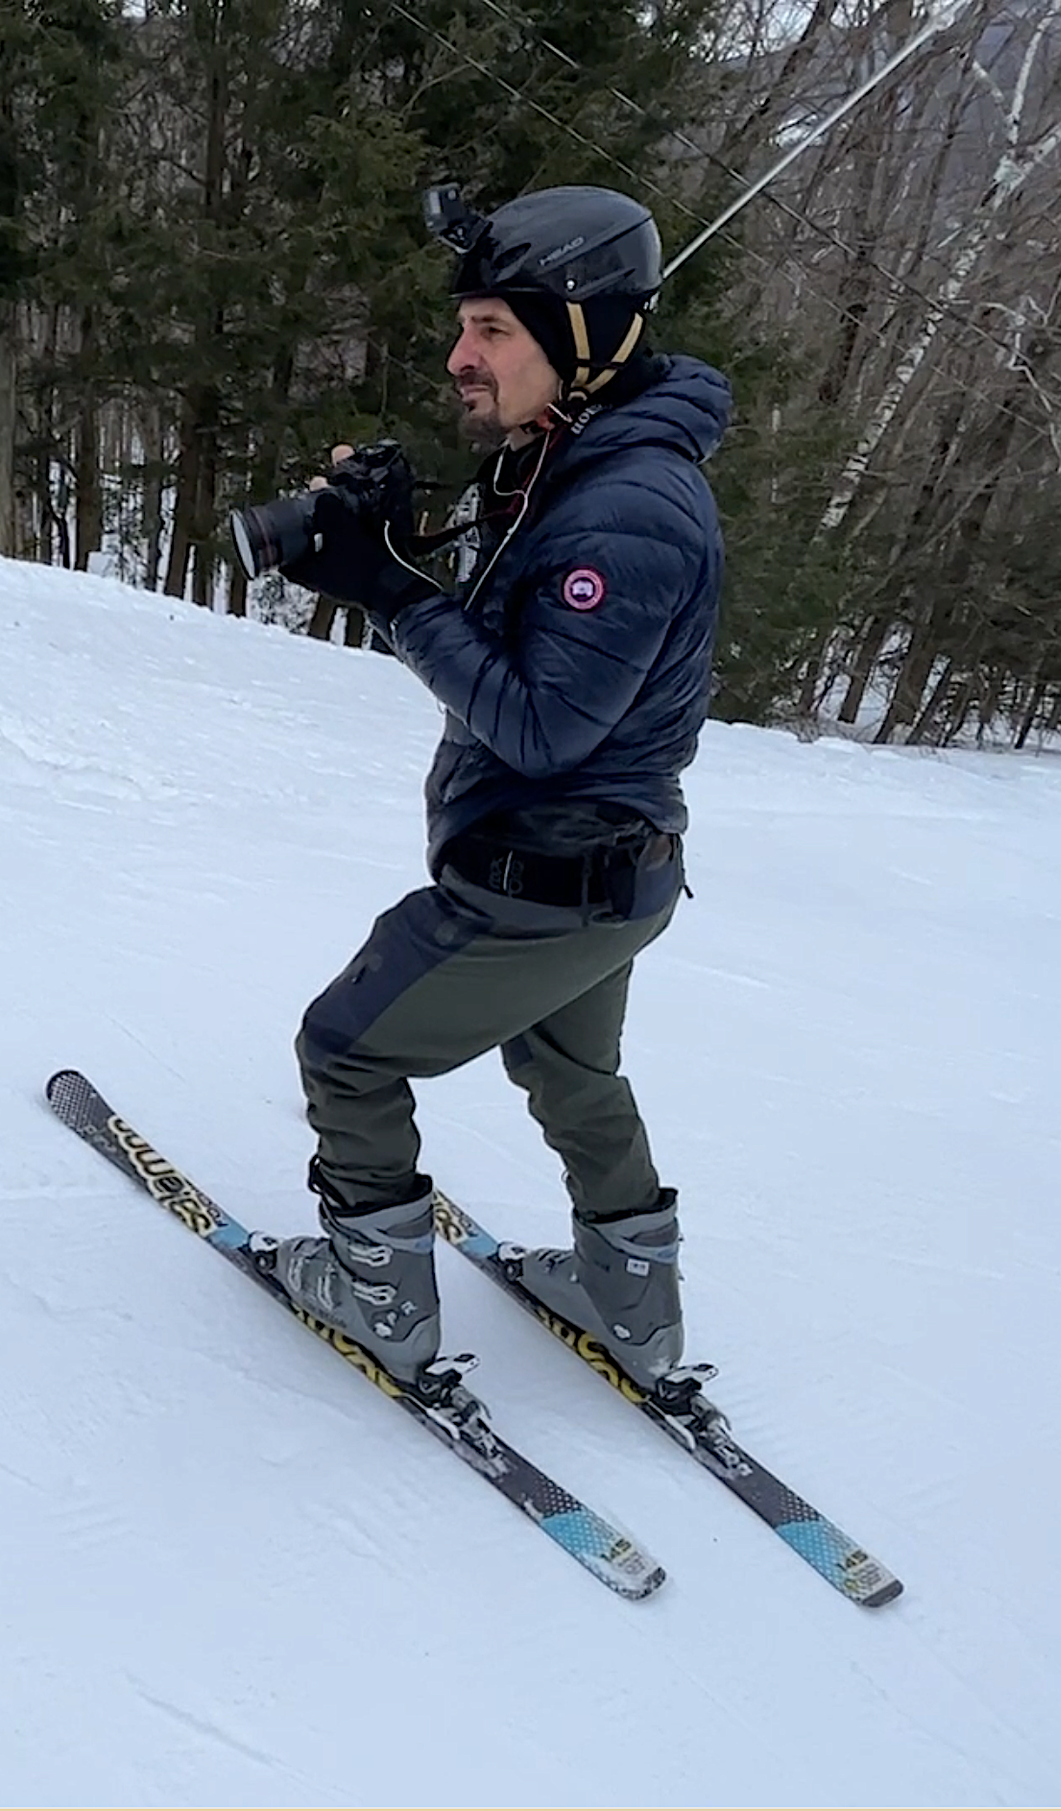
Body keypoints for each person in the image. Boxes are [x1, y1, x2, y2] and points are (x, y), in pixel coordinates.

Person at [261, 184, 730, 1392]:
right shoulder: (570, 457)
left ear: (579, 338)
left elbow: (538, 723)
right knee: (570, 1067)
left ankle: (380, 1300)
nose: (458, 356)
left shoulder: (628, 503)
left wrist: (385, 588)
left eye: (492, 331)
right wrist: (403, 538)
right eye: (464, 325)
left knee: (347, 1051)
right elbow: (523, 634)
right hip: (608, 874)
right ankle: (633, 1304)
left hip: (543, 875)